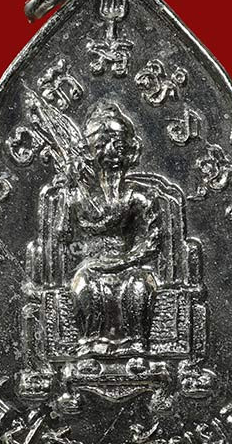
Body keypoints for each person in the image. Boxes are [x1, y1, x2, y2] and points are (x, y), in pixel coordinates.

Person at [55, 100, 162, 355]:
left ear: (130, 152)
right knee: (84, 285)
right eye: (102, 146)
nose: (112, 153)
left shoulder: (138, 197)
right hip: (90, 267)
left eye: (119, 146)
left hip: (129, 265)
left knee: (139, 285)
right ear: (88, 152)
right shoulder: (76, 197)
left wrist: (122, 262)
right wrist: (67, 195)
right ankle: (90, 344)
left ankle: (137, 345)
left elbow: (153, 241)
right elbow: (63, 236)